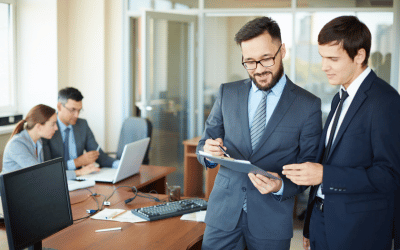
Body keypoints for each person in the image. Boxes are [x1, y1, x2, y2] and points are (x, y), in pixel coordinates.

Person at [196, 17, 322, 250]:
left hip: (271, 221)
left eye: (266, 59)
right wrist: (207, 151)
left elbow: (309, 167)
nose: (259, 70)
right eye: (250, 62)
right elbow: (205, 143)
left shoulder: (308, 105)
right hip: (223, 216)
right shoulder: (228, 93)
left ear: (282, 50)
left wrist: (280, 186)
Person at [282, 16, 400, 250]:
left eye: (333, 59)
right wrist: (311, 225)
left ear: (360, 56)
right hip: (322, 224)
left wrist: (326, 175)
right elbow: (328, 159)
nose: (324, 66)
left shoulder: (385, 101)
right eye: (322, 57)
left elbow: (390, 175)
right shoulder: (339, 98)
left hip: (359, 232)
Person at [43, 87, 119, 179]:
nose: (77, 115)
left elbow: (100, 156)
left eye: (79, 110)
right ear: (59, 106)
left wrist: (120, 164)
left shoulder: (82, 125)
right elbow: (48, 167)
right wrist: (77, 162)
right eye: (72, 110)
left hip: (81, 178)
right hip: (57, 179)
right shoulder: (47, 128)